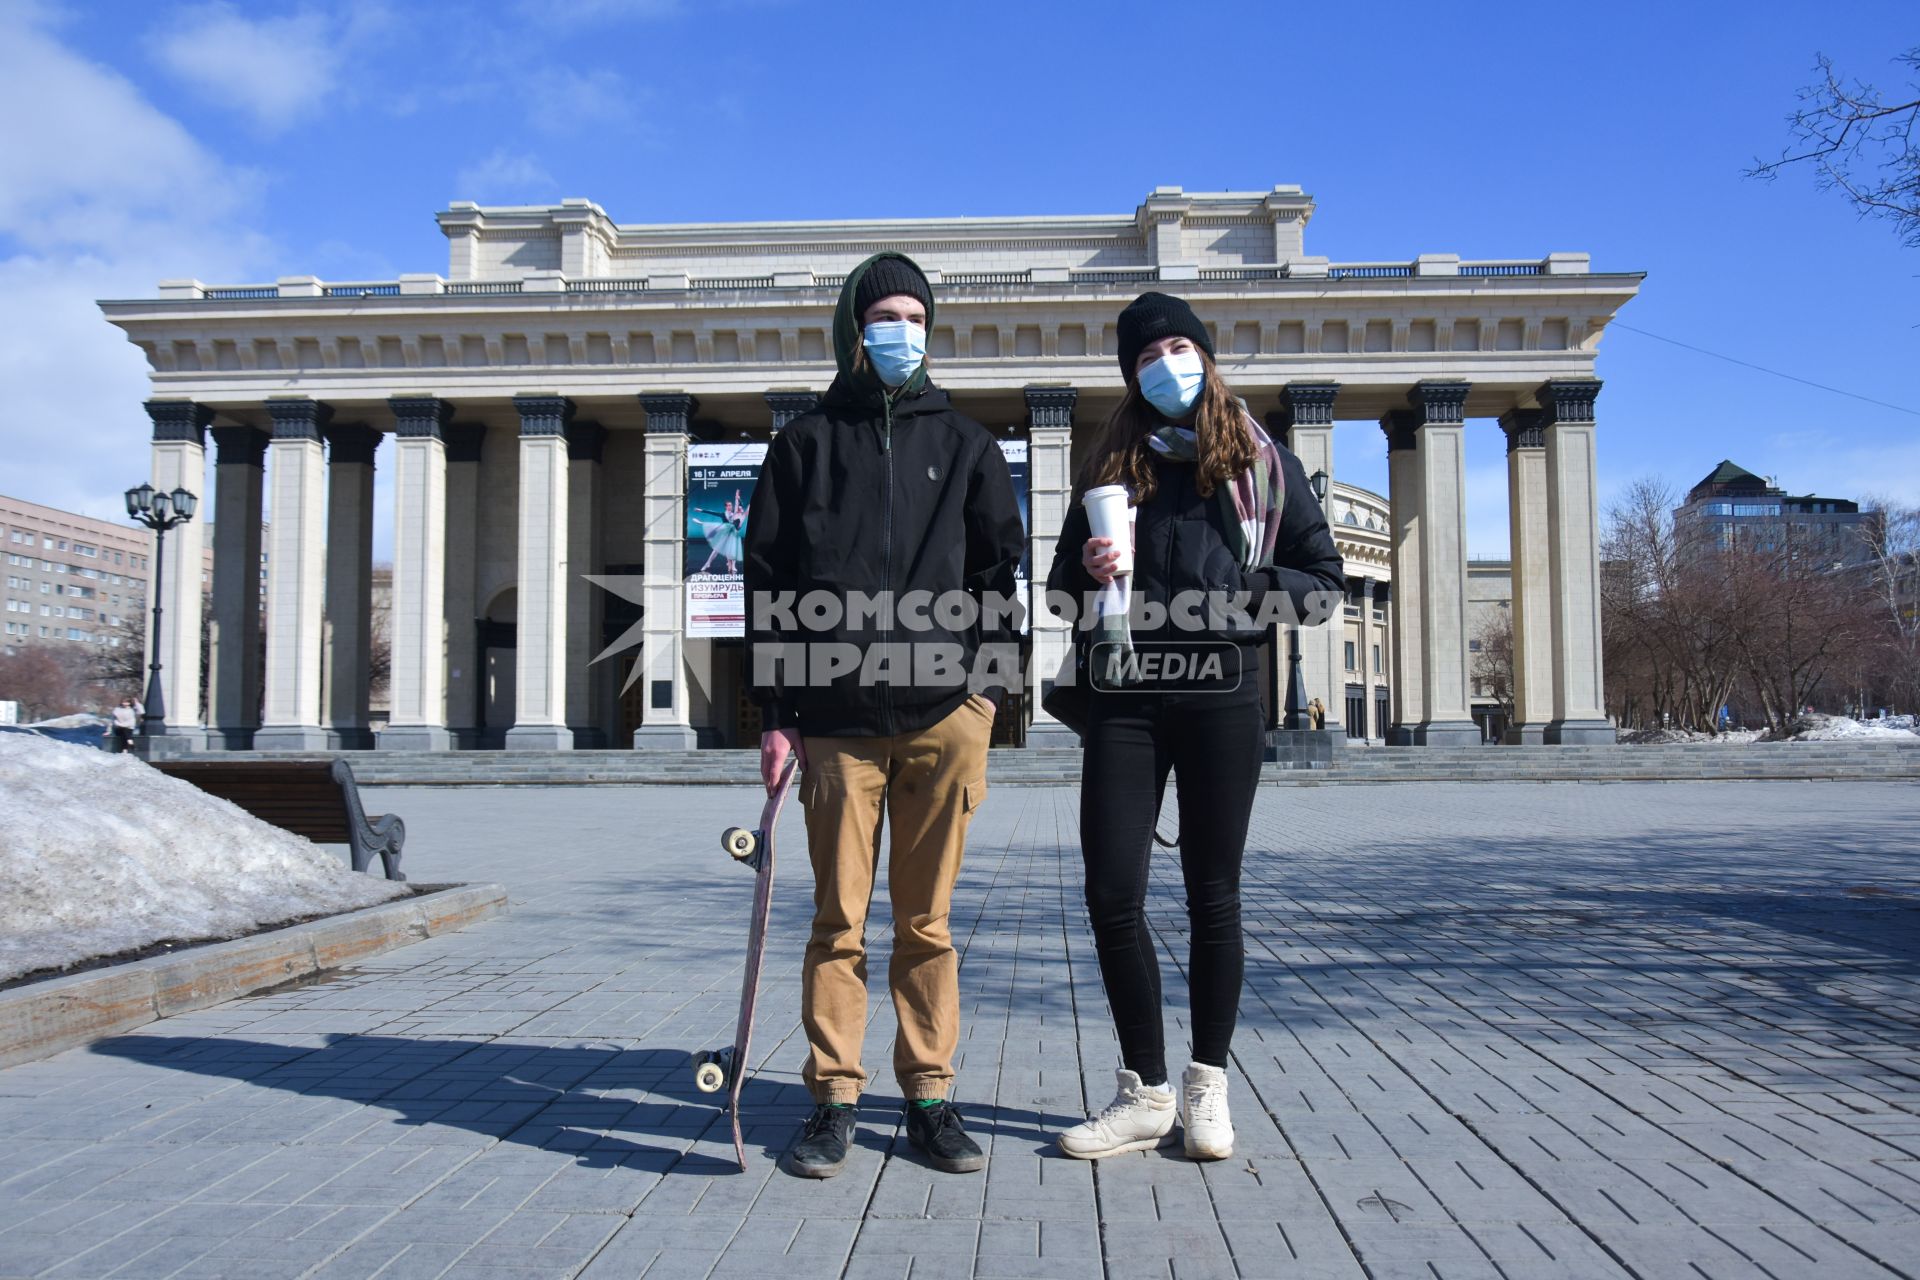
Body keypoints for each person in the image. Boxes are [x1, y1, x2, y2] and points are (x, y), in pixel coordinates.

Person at [742, 251, 1027, 1179]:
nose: (900, 330)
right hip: (835, 726)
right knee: (838, 923)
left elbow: (997, 577)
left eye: (913, 315)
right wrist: (778, 713)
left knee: (928, 923)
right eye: (882, 316)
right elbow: (769, 582)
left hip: (945, 718)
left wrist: (987, 697)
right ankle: (833, 1098)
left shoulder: (971, 447)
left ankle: (930, 1095)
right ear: (853, 329)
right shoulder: (805, 445)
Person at [1047, 292, 1344, 1161]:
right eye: (1146, 356)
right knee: (1111, 893)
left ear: (1205, 357)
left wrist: (1245, 595)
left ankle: (1209, 1085)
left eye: (1178, 346)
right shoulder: (1111, 464)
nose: (1165, 364)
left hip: (1222, 694)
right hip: (1127, 696)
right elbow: (1061, 590)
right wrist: (1088, 567)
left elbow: (1321, 583)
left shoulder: (1264, 466)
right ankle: (1145, 1093)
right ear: (1132, 376)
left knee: (1215, 896)